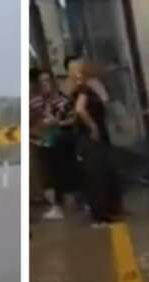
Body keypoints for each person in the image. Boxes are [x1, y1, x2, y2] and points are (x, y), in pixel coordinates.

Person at [70, 59, 124, 226]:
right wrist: (92, 126)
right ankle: (101, 214)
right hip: (90, 138)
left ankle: (105, 211)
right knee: (97, 175)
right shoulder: (84, 89)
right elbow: (80, 109)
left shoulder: (85, 88)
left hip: (91, 137)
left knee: (100, 173)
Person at [30, 68, 79, 221]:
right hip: (42, 142)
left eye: (48, 80)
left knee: (62, 171)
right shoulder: (33, 101)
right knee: (48, 175)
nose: (46, 84)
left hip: (61, 141)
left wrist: (58, 122)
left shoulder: (63, 100)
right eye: (42, 81)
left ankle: (63, 203)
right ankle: (56, 204)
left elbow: (73, 118)